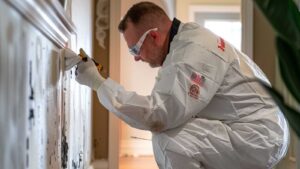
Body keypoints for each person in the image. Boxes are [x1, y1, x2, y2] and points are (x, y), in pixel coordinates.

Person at [63, 2, 289, 169]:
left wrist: (98, 82)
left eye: (135, 49)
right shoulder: (184, 43)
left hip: (259, 136)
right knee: (173, 132)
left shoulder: (193, 52)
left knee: (168, 138)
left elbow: (157, 114)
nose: (135, 58)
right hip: (257, 131)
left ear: (154, 36)